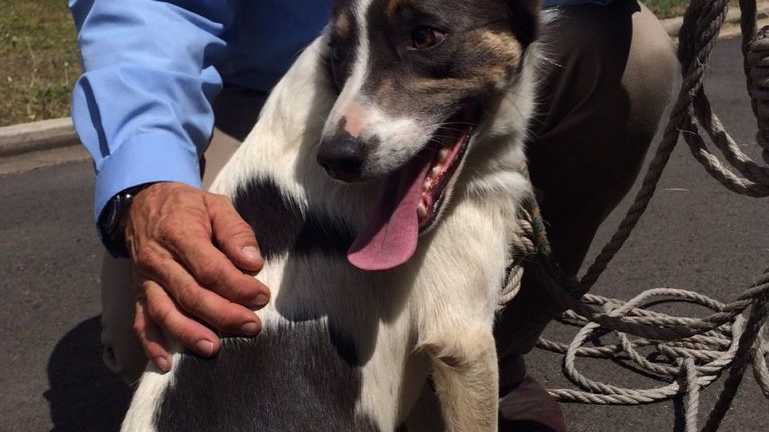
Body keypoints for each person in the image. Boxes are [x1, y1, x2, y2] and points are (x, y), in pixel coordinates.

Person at [69, 0, 677, 429]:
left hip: (432, 57)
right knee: (153, 330)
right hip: (243, 94)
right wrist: (148, 182)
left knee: (636, 56)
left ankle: (503, 345)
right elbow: (149, 10)